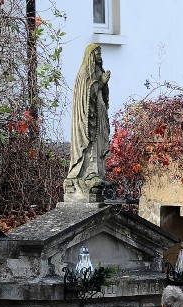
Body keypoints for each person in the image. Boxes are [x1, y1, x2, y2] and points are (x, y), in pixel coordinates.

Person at [65, 43, 111, 194]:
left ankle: (98, 173)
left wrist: (104, 85)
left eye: (100, 54)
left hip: (99, 116)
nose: (100, 57)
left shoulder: (98, 71)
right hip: (88, 118)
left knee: (99, 144)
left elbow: (102, 95)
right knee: (90, 145)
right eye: (97, 54)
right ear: (90, 56)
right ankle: (89, 174)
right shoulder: (85, 73)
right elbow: (86, 94)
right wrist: (101, 83)